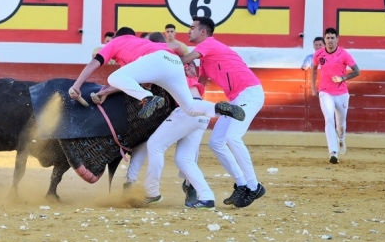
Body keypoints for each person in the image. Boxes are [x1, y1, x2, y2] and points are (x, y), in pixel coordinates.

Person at [69, 26, 244, 125]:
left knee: (112, 77)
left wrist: (76, 85)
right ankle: (220, 108)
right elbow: (134, 80)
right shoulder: (140, 44)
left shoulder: (116, 42)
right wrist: (105, 93)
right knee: (190, 108)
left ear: (117, 37)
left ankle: (147, 99)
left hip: (157, 61)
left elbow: (95, 62)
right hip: (174, 63)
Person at [181, 16, 265, 208]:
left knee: (232, 137)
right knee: (216, 141)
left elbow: (184, 60)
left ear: (203, 32)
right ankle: (242, 184)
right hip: (236, 98)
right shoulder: (205, 57)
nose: (188, 31)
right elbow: (199, 86)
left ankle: (254, 186)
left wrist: (185, 63)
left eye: (192, 28)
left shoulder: (209, 44)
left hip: (249, 93)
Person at [123, 56, 215, 208]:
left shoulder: (169, 69)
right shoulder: (185, 69)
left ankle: (151, 192)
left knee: (154, 145)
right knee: (185, 159)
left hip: (187, 111)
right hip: (203, 112)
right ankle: (206, 197)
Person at [311, 27, 361, 163]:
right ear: (325, 39)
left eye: (333, 38)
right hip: (325, 91)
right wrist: (313, 87)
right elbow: (314, 69)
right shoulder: (319, 54)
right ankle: (333, 152)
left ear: (337, 39)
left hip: (342, 93)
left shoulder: (344, 54)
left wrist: (342, 78)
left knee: (341, 124)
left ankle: (342, 139)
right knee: (329, 119)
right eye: (328, 38)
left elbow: (357, 71)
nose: (330, 40)